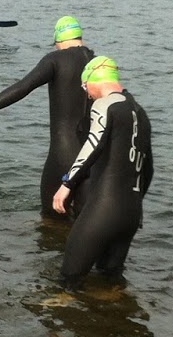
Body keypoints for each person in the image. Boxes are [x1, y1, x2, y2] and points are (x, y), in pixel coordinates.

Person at [0, 15, 95, 217]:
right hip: (93, 156)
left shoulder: (56, 59)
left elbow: (24, 86)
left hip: (63, 155)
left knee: (52, 220)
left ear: (59, 40)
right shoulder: (97, 62)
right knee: (83, 220)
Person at [50, 56, 153, 287]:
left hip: (104, 209)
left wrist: (66, 184)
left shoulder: (105, 105)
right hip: (133, 213)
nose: (87, 95)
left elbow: (92, 146)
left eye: (86, 87)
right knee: (110, 279)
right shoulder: (140, 112)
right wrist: (133, 203)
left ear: (95, 79)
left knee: (68, 282)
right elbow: (149, 168)